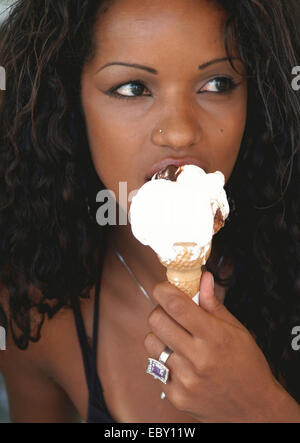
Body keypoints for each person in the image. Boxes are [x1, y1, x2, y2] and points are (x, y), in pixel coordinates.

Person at [0, 0, 299, 423]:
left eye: (217, 83)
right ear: (69, 102)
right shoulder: (36, 308)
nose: (178, 131)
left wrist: (263, 409)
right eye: (133, 89)